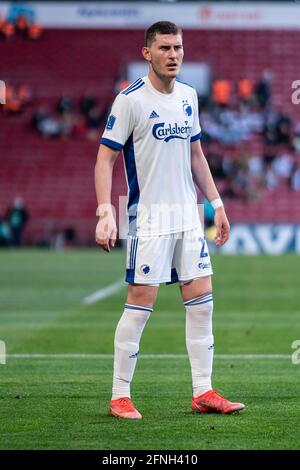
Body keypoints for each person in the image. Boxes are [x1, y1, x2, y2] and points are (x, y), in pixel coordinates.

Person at [95, 21, 245, 419]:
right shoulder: (129, 100)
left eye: (178, 47)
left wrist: (217, 203)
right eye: (164, 48)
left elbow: (197, 155)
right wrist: (104, 210)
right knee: (141, 301)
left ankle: (204, 391)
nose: (174, 54)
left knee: (201, 304)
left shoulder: (189, 97)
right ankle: (119, 396)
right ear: (147, 53)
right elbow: (104, 158)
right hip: (148, 216)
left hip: (188, 214)